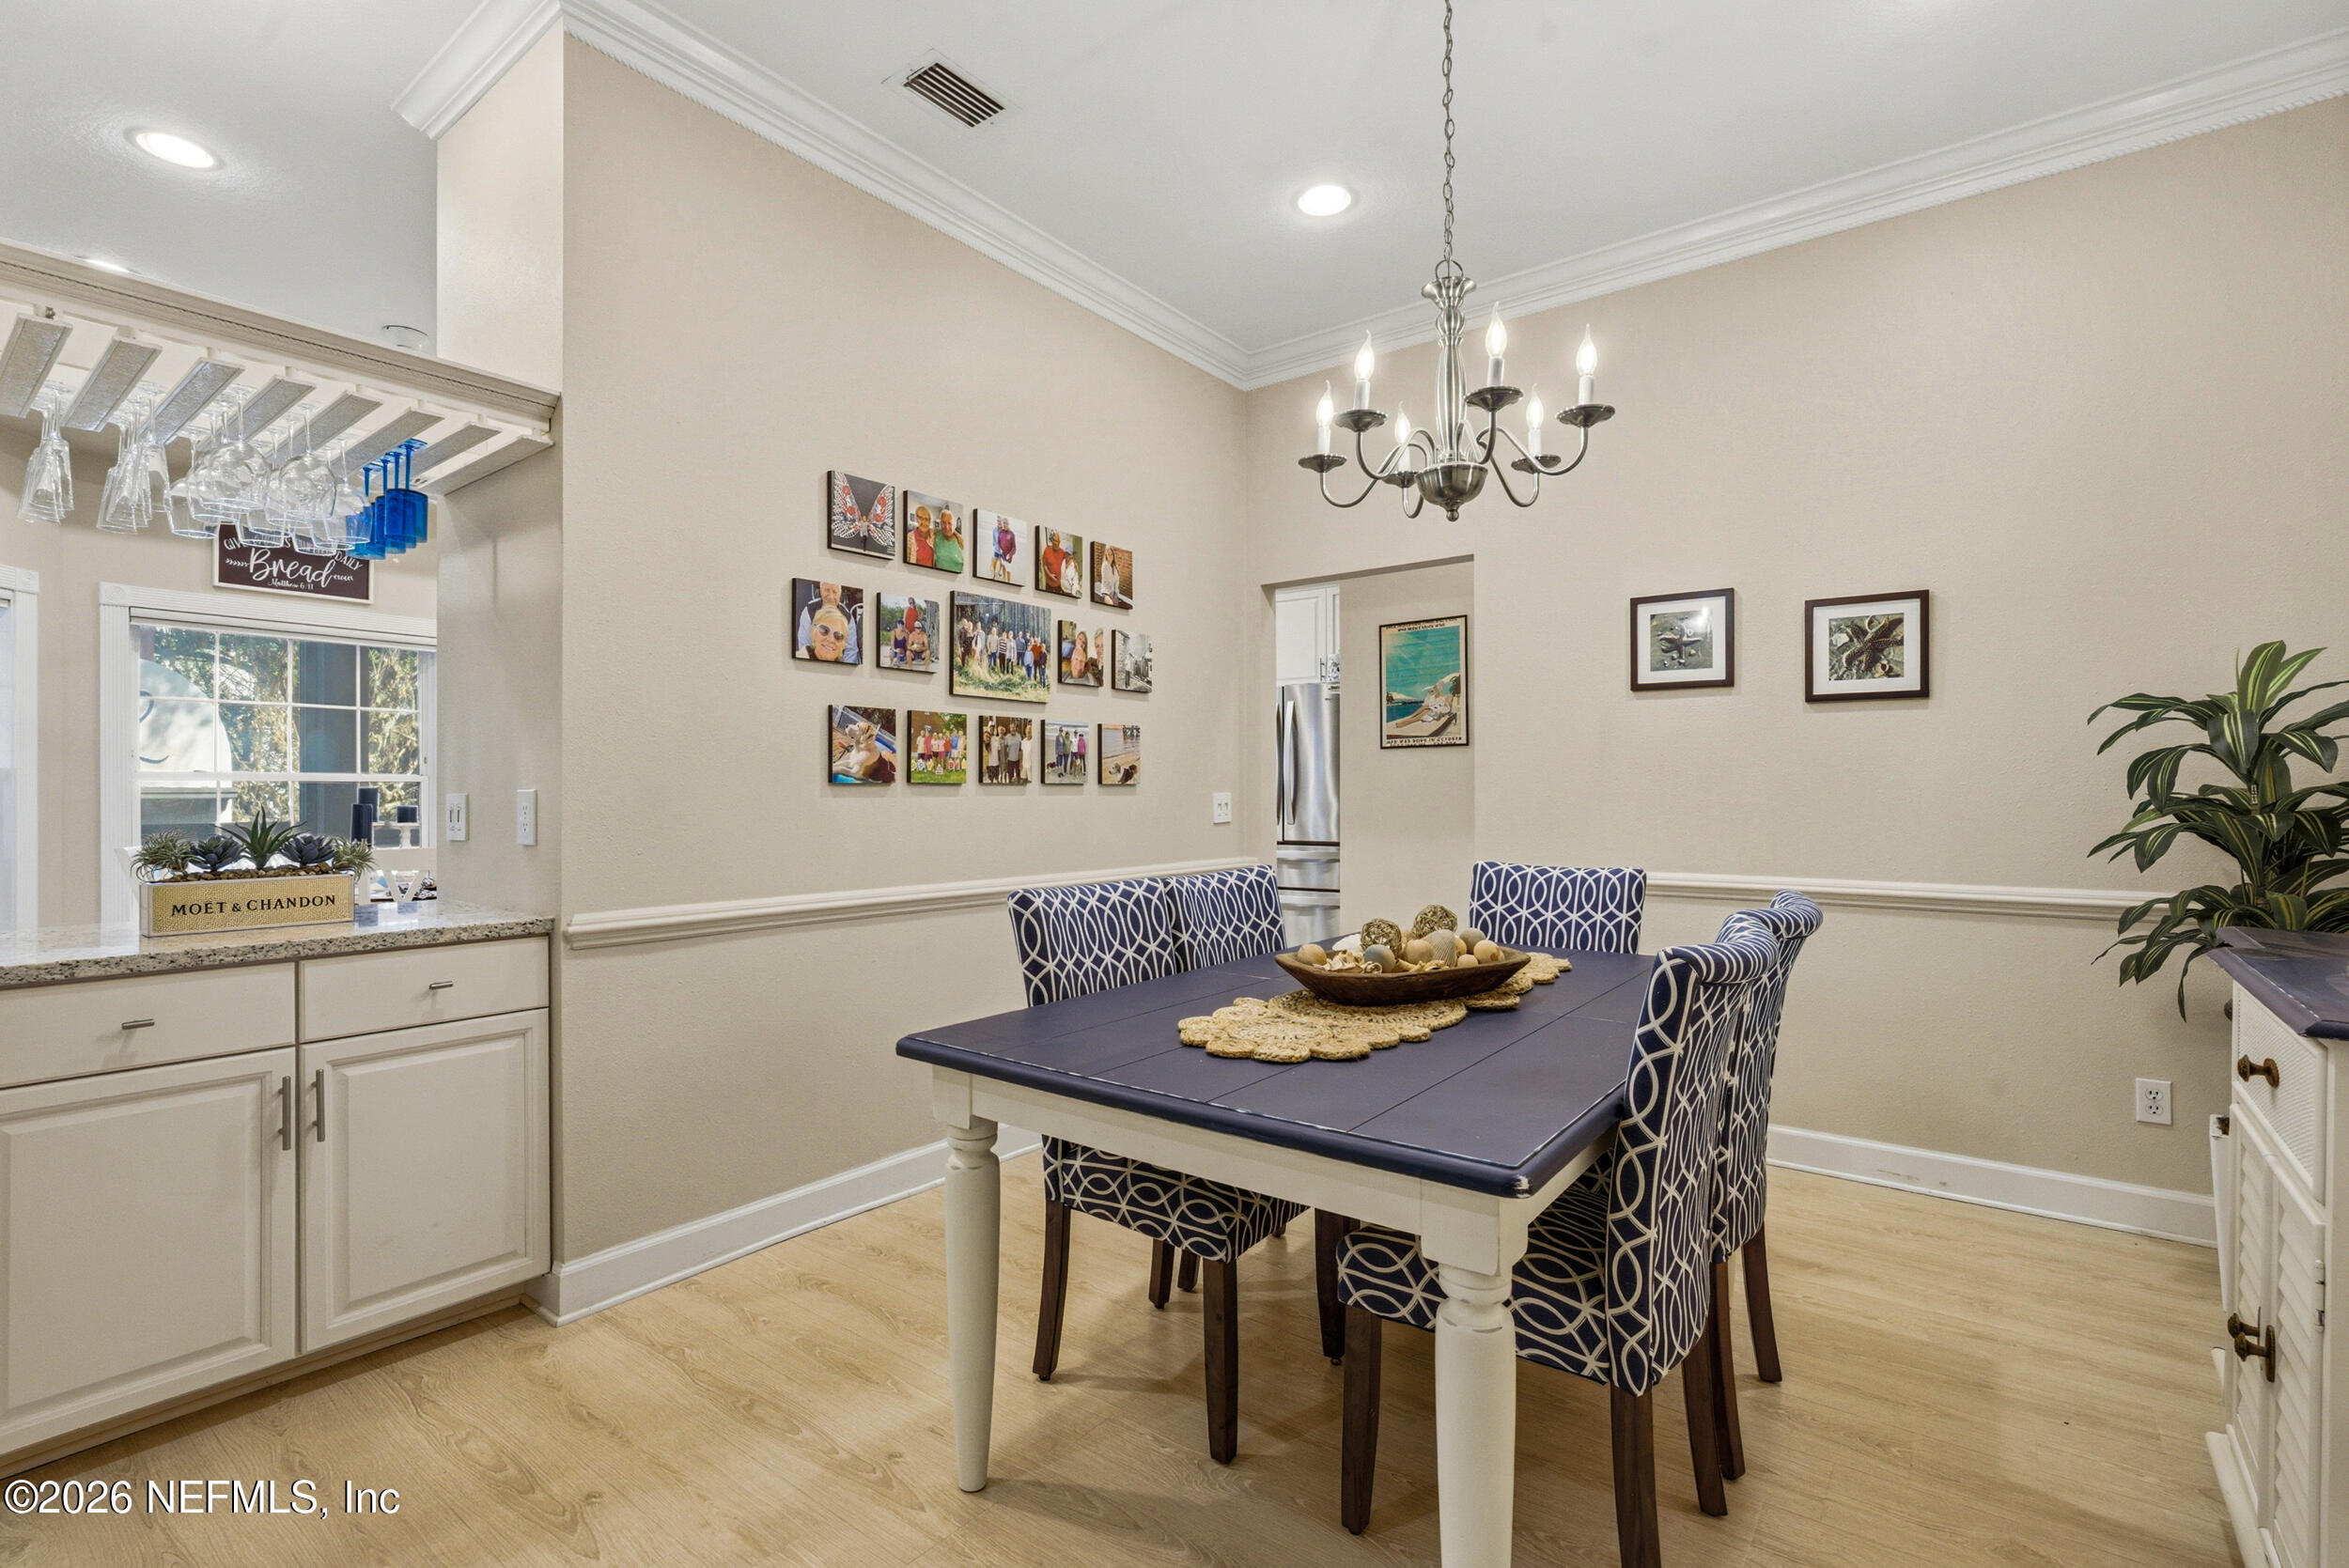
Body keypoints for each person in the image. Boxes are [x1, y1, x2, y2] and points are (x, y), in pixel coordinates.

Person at [798, 582, 859, 662]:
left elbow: (851, 651)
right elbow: (804, 643)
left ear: (840, 594)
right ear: (821, 591)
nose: (831, 596)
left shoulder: (848, 617)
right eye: (824, 630)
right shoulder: (809, 611)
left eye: (835, 592)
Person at [934, 509, 965, 574]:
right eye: (943, 522)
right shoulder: (935, 536)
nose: (947, 527)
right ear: (940, 523)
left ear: (954, 525)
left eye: (950, 523)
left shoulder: (961, 541)